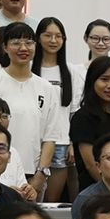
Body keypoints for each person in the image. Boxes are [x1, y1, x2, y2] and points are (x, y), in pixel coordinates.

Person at [0, 22, 63, 197]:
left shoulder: (46, 88)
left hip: (32, 174)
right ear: (5, 47)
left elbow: (50, 137)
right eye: (16, 43)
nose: (23, 48)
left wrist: (41, 175)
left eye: (29, 43)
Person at [70, 56, 110, 195]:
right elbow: (91, 164)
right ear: (92, 81)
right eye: (104, 79)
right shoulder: (83, 118)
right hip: (95, 194)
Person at [34, 17, 81, 202]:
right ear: (38, 38)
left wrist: (72, 143)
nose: (53, 40)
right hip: (33, 142)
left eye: (58, 36)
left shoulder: (71, 71)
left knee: (51, 202)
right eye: (48, 35)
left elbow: (74, 111)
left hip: (61, 141)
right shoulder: (29, 68)